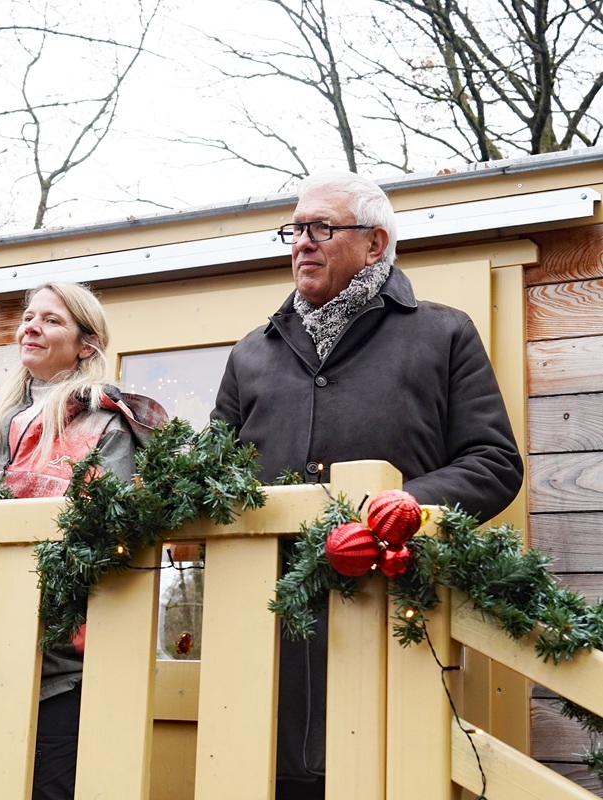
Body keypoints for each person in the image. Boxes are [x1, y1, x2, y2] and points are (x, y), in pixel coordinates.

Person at [210, 172, 523, 800]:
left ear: (375, 243)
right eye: (296, 229)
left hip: (396, 614)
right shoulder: (251, 353)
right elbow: (210, 474)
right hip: (268, 633)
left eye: (322, 228)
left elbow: (493, 462)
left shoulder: (444, 333)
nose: (302, 242)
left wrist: (404, 507)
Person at [0, 281, 167, 799]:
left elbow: (100, 551)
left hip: (53, 678)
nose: (30, 327)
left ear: (87, 343)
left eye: (51, 320)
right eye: (28, 317)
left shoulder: (107, 426)